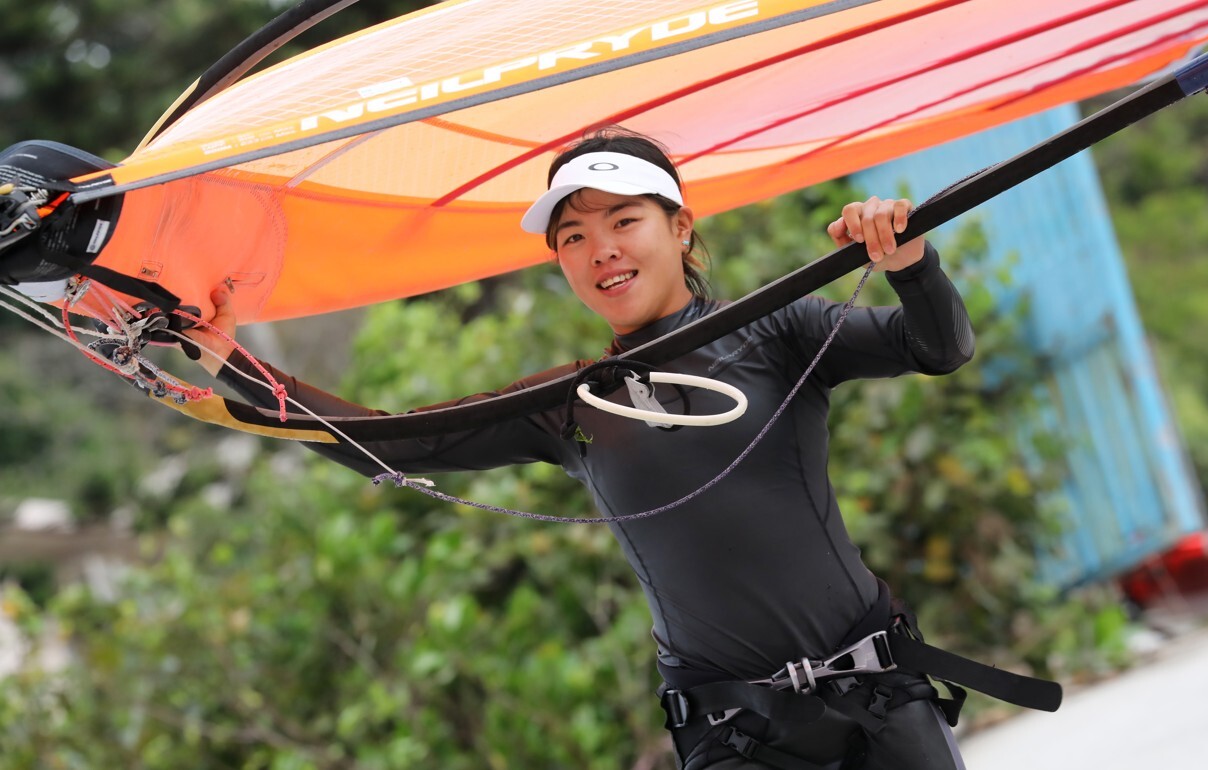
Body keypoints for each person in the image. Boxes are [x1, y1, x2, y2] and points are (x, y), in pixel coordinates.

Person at [187, 127, 980, 769]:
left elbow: (939, 347)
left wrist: (911, 266)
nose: (600, 248)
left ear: (680, 226)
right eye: (573, 235)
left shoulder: (781, 330)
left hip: (877, 696)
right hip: (739, 733)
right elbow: (390, 442)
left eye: (623, 221)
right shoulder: (571, 403)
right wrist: (231, 361)